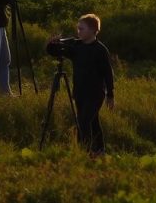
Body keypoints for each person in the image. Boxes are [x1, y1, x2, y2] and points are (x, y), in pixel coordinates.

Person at [46, 14, 115, 156]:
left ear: (93, 30)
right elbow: (53, 52)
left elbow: (108, 73)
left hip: (95, 94)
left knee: (83, 122)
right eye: (78, 29)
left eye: (81, 29)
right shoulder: (76, 46)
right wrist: (52, 43)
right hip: (79, 93)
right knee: (93, 121)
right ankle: (99, 150)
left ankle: (85, 151)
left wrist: (110, 94)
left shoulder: (100, 50)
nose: (78, 32)